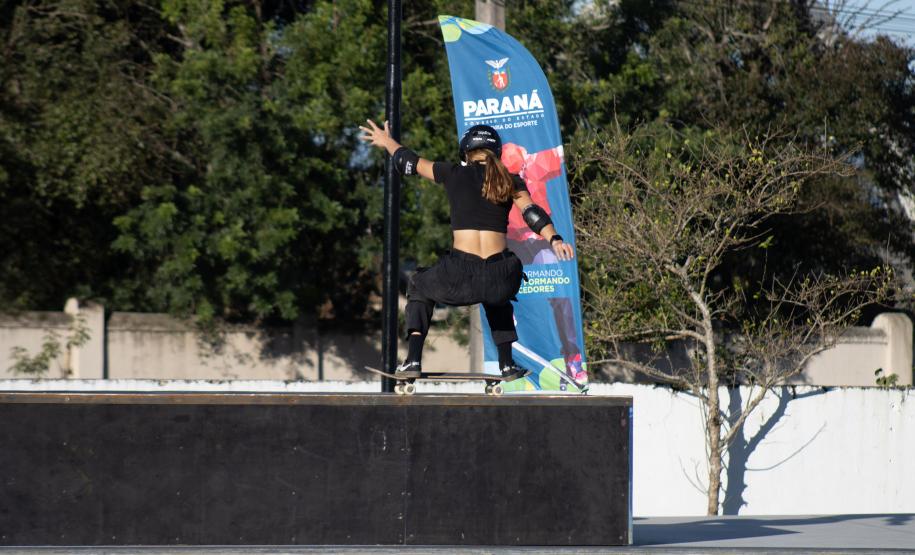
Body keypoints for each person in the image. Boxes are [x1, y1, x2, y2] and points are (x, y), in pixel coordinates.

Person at [359, 120, 575, 380]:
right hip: (501, 273)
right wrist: (555, 239)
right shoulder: (510, 180)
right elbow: (532, 213)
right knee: (498, 297)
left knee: (418, 283)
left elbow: (410, 162)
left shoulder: (453, 173)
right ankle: (507, 364)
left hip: (460, 272)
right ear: (496, 151)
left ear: (466, 152)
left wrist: (387, 142)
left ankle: (412, 360)